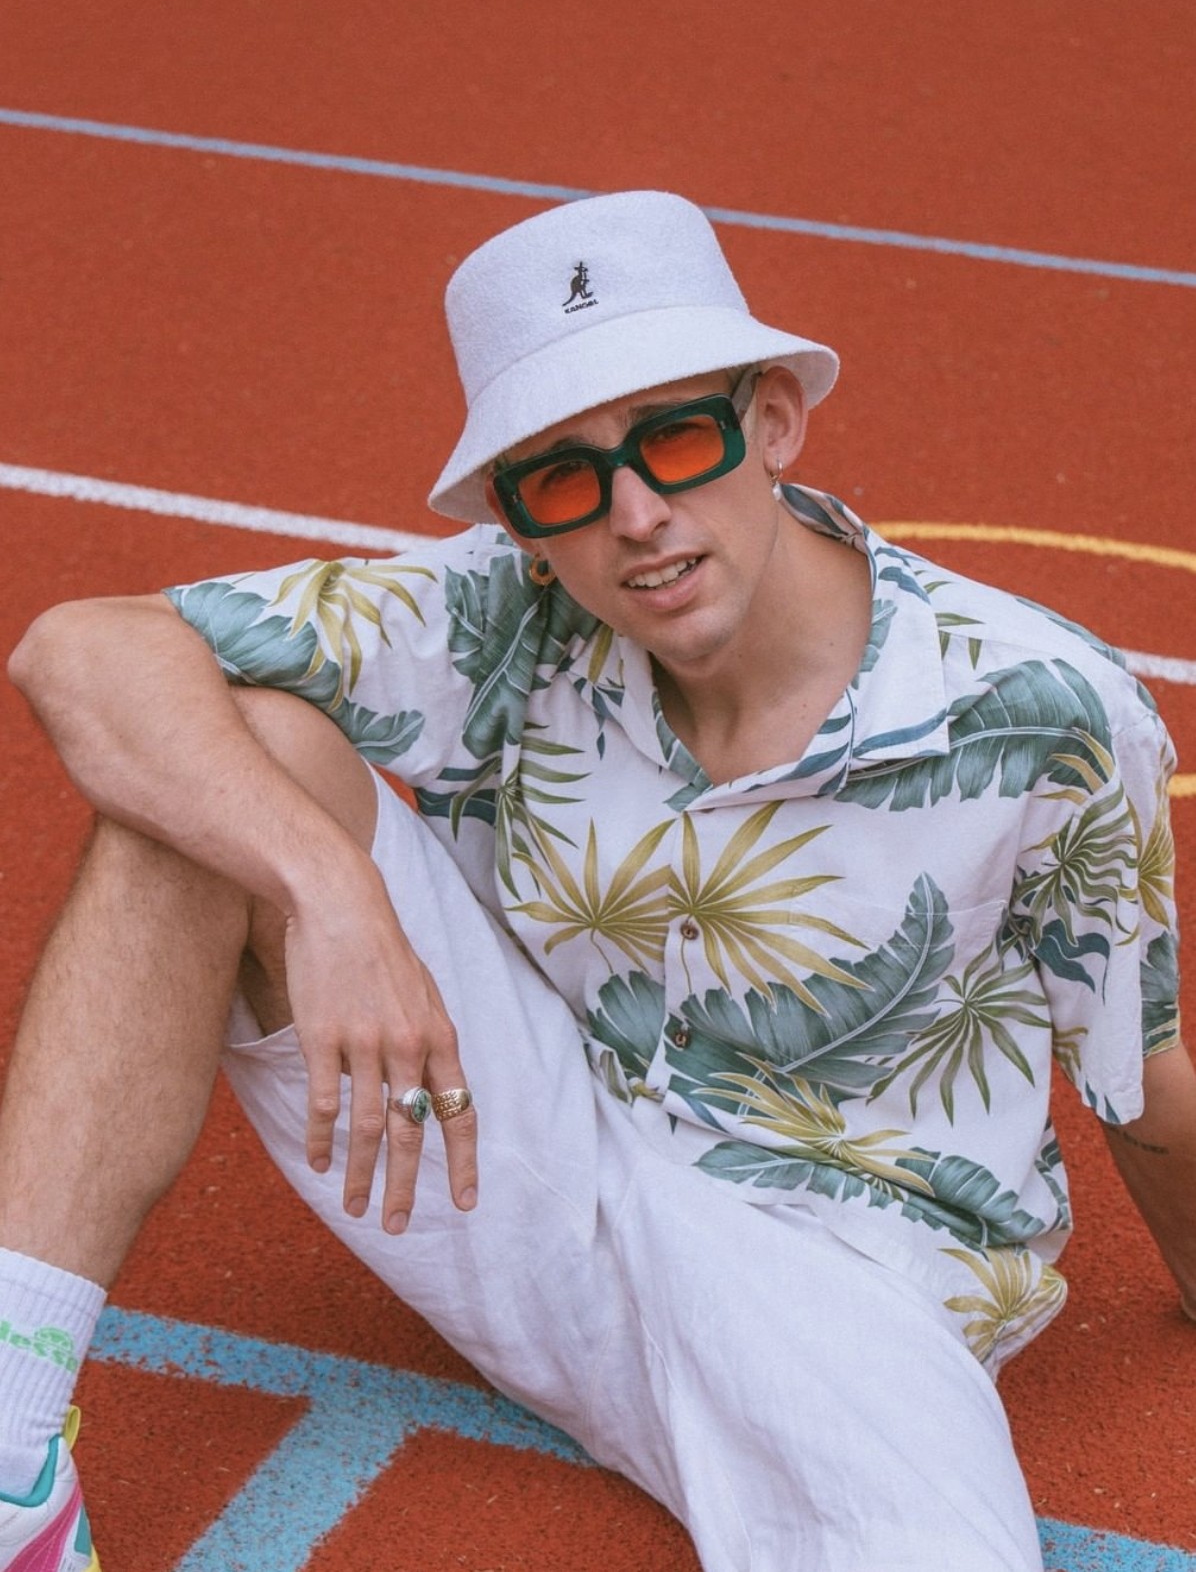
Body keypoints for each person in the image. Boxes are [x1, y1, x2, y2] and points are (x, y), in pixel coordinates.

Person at [1, 190, 1193, 1572]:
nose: (634, 516)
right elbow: (80, 649)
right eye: (563, 478)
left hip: (841, 1272)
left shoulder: (1040, 711)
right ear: (520, 517)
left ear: (773, 421)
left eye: (676, 438)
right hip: (518, 1145)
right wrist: (331, 890)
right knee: (220, 756)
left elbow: (1140, 1066)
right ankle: (9, 1445)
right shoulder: (505, 612)